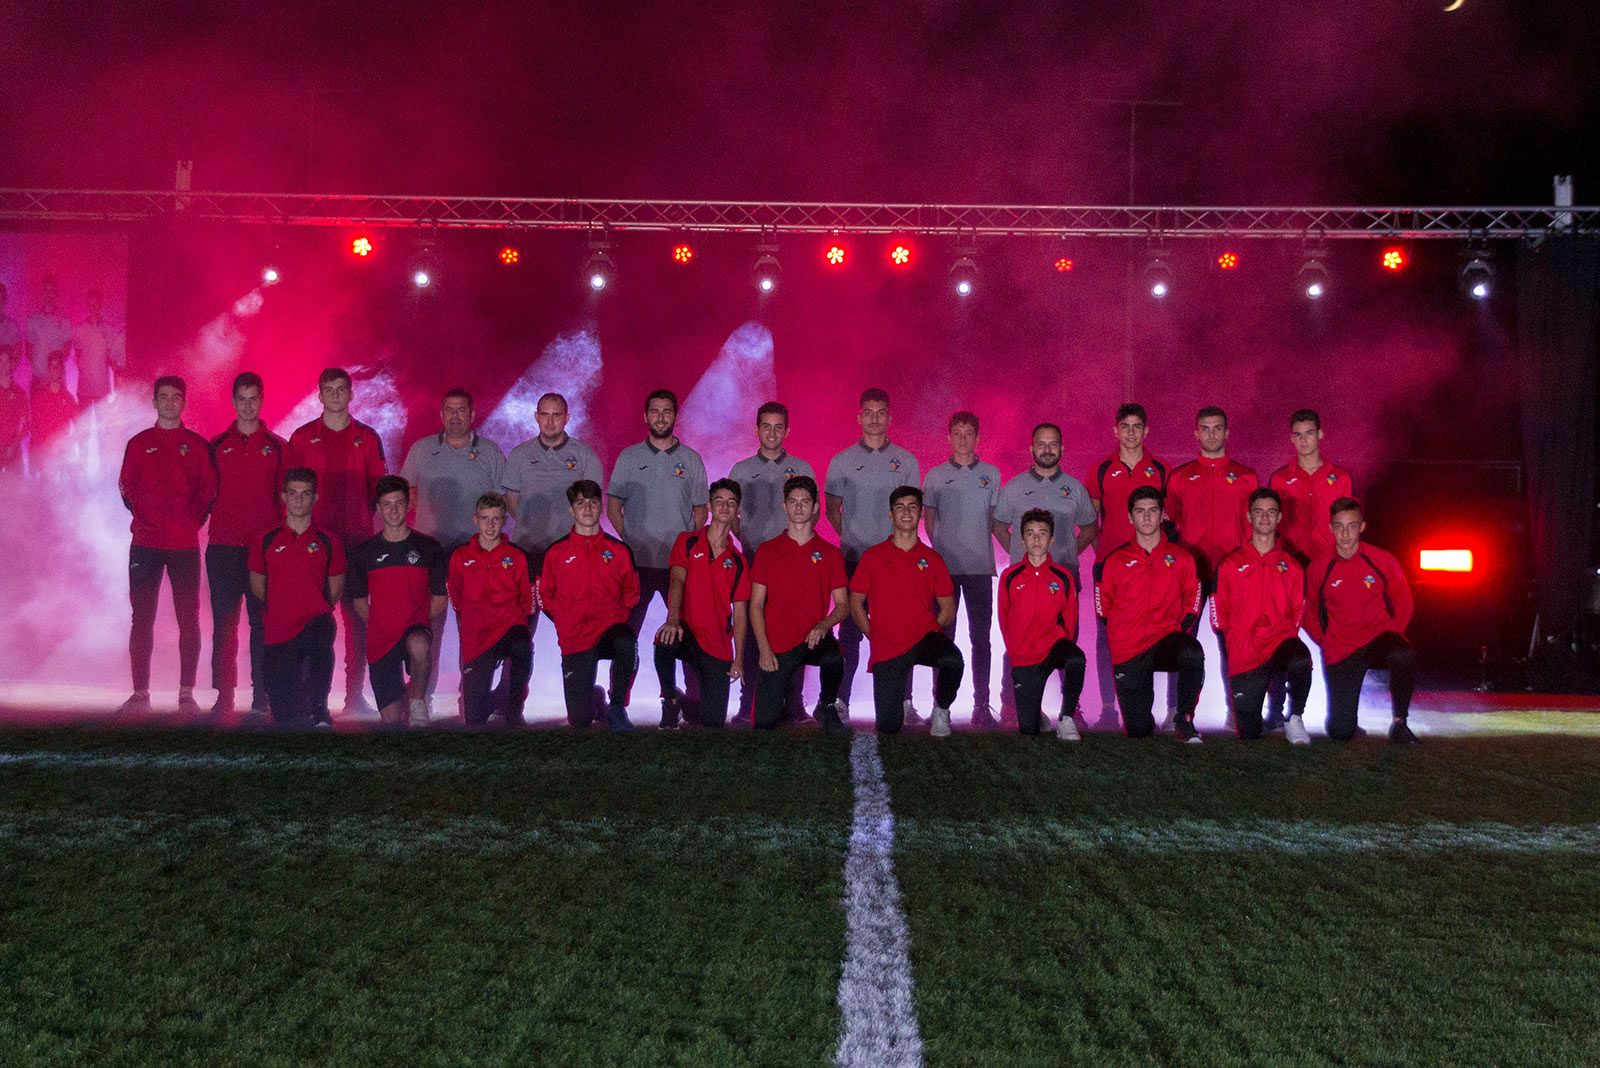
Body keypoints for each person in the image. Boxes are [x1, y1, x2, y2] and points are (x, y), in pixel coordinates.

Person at [287, 367, 387, 717]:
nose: (334, 395)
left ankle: (353, 696)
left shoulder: (367, 437)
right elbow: (289, 492)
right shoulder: (302, 438)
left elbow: (378, 489)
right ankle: (308, 696)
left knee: (357, 624)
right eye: (328, 389)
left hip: (357, 542)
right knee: (309, 621)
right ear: (319, 394)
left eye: (341, 389)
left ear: (351, 394)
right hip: (314, 545)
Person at [116, 376, 217, 718]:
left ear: (184, 403)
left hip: (183, 545)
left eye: (176, 397)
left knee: (189, 618)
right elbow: (126, 486)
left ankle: (186, 695)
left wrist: (189, 523)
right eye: (164, 397)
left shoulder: (197, 446)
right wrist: (145, 518)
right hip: (145, 543)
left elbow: (208, 491)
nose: (170, 402)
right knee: (141, 618)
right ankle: (140, 694)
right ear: (154, 402)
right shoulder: (139, 443)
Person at [398, 387, 506, 704]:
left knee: (472, 627)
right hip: (430, 552)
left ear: (472, 415)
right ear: (441, 414)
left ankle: (470, 696)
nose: (455, 415)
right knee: (428, 626)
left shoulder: (489, 452)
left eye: (461, 410)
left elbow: (502, 501)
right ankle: (421, 696)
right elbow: (406, 491)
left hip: (474, 553)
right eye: (449, 409)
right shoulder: (422, 449)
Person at [991, 421, 1097, 727]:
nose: (1047, 449)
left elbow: (1090, 528)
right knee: (1017, 640)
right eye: (1041, 444)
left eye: (1053, 444)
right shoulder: (1014, 487)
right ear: (1031, 448)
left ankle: (1070, 708)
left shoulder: (1074, 488)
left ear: (1062, 448)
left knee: (1066, 641)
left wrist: (1067, 554)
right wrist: (1021, 554)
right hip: (1024, 583)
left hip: (1062, 581)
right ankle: (1010, 704)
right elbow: (998, 525)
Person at [826, 388, 921, 718]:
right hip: (854, 560)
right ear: (859, 417)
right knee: (850, 633)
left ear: (890, 417)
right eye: (869, 412)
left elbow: (912, 511)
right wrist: (853, 538)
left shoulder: (906, 461)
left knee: (901, 631)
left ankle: (905, 702)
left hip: (897, 561)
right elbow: (832, 509)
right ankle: (841, 701)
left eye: (881, 412)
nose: (875, 418)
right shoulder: (842, 461)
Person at [1166, 406, 1258, 725]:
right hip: (1191, 574)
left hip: (1231, 574)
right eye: (1205, 428)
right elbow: (1169, 526)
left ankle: (1236, 711)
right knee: (1181, 640)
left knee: (1233, 644)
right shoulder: (1180, 477)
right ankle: (1177, 711)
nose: (1211, 434)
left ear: (1227, 432)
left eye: (1217, 428)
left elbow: (1255, 528)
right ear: (1196, 433)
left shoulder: (1246, 477)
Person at [1303, 497, 1419, 744]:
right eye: (1339, 526)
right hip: (1341, 651)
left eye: (1352, 526)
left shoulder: (1381, 559)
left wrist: (1394, 633)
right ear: (1330, 528)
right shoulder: (1319, 568)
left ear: (1362, 527)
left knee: (1402, 653)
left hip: (1377, 641)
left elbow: (1404, 600)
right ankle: (1347, 721)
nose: (1345, 534)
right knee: (1340, 732)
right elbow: (1307, 610)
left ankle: (1400, 723)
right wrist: (1324, 640)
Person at [848, 486, 962, 736]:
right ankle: (897, 705)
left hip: (923, 638)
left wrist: (932, 632)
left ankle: (941, 709)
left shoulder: (932, 559)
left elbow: (947, 608)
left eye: (912, 507)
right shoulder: (873, 556)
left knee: (953, 660)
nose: (906, 512)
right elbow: (855, 602)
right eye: (900, 507)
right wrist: (873, 634)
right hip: (888, 645)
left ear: (920, 513)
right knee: (888, 727)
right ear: (891, 514)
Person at [728, 401, 816, 721]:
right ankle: (747, 703)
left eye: (778, 427)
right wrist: (747, 539)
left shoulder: (801, 468)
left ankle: (795, 704)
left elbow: (813, 514)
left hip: (793, 565)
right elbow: (730, 514)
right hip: (754, 562)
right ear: (757, 429)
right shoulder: (741, 470)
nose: (772, 433)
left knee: (794, 632)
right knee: (753, 634)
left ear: (787, 431)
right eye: (766, 426)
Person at [1266, 408, 1355, 726]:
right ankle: (1276, 713)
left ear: (1320, 435)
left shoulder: (1340, 478)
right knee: (1280, 642)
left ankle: (1341, 715)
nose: (1303, 440)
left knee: (1337, 644)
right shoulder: (1280, 478)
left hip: (1327, 573)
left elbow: (1348, 528)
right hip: (1287, 573)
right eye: (1297, 435)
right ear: (1291, 438)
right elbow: (1269, 525)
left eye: (1309, 433)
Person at [1094, 486, 1204, 741]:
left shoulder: (1182, 558)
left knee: (1192, 652)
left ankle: (1183, 719)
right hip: (1129, 649)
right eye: (1140, 511)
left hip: (1166, 640)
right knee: (1138, 731)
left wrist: (1178, 632)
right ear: (1130, 517)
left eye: (1153, 511)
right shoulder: (1115, 561)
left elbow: (1193, 602)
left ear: (1162, 515)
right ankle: (1144, 717)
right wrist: (1121, 636)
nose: (1146, 517)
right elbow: (1103, 608)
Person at [206, 371, 286, 718]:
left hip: (263, 550)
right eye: (242, 399)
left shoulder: (278, 447)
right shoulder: (216, 446)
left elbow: (288, 498)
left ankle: (261, 696)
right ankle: (223, 696)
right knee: (224, 623)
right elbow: (204, 493)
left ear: (262, 400)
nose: (248, 405)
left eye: (254, 399)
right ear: (234, 402)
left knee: (262, 624)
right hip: (223, 546)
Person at [750, 476, 850, 736]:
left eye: (805, 501)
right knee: (763, 723)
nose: (798, 506)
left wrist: (824, 625)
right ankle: (786, 700)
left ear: (815, 507)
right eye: (793, 501)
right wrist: (764, 649)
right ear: (784, 507)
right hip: (777, 643)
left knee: (834, 657)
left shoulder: (830, 553)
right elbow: (756, 605)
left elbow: (843, 605)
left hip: (812, 637)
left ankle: (826, 706)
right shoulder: (767, 550)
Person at [1088, 403, 1169, 728]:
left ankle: (1159, 709)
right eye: (1126, 426)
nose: (1131, 432)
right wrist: (1106, 555)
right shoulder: (1101, 469)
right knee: (1106, 635)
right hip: (1109, 568)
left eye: (1137, 426)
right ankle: (1109, 707)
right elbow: (1090, 521)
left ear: (1146, 431)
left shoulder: (1161, 469)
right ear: (1116, 431)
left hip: (1151, 567)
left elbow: (1168, 519)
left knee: (1155, 631)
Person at [1212, 488, 1313, 743]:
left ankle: (1294, 718)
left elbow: (1298, 611)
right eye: (1259, 512)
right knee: (1249, 733)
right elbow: (1218, 613)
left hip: (1278, 645)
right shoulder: (1229, 564)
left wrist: (1286, 638)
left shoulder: (1292, 565)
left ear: (1279, 518)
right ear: (1249, 516)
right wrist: (1233, 644)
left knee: (1300, 657)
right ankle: (1248, 710)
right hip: (1245, 654)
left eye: (1271, 512)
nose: (1265, 517)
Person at [607, 389, 709, 640]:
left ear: (675, 416)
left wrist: (685, 547)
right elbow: (613, 508)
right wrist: (630, 541)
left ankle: (683, 670)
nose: (660, 418)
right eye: (654, 412)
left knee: (686, 635)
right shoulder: (629, 457)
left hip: (677, 566)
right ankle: (623, 669)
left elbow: (701, 511)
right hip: (636, 564)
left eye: (666, 412)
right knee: (625, 638)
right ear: (645, 416)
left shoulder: (691, 459)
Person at [921, 411, 1001, 728]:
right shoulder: (935, 476)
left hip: (980, 568)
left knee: (981, 639)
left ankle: (982, 704)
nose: (963, 439)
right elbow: (929, 520)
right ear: (949, 438)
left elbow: (994, 521)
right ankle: (941, 706)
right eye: (957, 433)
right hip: (945, 571)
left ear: (977, 438)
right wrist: (941, 553)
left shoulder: (991, 474)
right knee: (943, 637)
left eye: (969, 433)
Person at [540, 480, 640, 731]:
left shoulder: (618, 550)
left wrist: (616, 617)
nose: (587, 508)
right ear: (571, 510)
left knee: (626, 642)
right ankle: (594, 697)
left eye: (593, 502)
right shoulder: (556, 552)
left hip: (609, 631)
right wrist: (565, 621)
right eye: (580, 503)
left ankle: (617, 707)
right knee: (580, 721)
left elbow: (632, 593)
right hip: (575, 637)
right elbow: (545, 596)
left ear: (601, 507)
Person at [349, 476, 448, 727]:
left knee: (419, 644)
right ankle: (404, 697)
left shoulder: (429, 548)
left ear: (409, 505)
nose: (393, 510)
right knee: (392, 721)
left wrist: (415, 620)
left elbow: (440, 599)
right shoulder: (364, 552)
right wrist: (382, 624)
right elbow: (359, 603)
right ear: (378, 508)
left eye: (399, 503)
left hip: (415, 629)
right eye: (387, 504)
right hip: (381, 639)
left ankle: (418, 703)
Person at [249, 468, 345, 728]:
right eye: (293, 493)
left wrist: (313, 608)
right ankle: (296, 705)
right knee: (284, 716)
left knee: (322, 628)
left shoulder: (328, 541)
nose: (299, 500)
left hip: (314, 624)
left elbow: (336, 588)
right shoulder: (265, 539)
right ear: (283, 497)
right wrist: (283, 609)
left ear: (315, 498)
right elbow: (257, 585)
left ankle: (320, 709)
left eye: (305, 494)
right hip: (278, 631)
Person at [653, 479, 752, 729]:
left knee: (713, 722)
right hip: (685, 631)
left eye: (731, 503)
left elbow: (740, 614)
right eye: (719, 501)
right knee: (664, 640)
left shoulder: (739, 561)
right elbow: (676, 580)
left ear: (738, 510)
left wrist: (739, 658)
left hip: (716, 644)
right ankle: (670, 699)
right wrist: (672, 619)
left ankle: (685, 704)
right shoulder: (687, 541)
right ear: (709, 506)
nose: (725, 507)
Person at [998, 510, 1088, 739]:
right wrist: (1015, 651)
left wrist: (1062, 643)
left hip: (1053, 647)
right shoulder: (1010, 576)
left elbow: (1070, 619)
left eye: (1043, 533)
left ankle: (1066, 718)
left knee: (1076, 658)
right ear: (1022, 540)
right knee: (1029, 730)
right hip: (1024, 656)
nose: (1037, 539)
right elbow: (1004, 618)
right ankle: (1037, 714)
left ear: (1052, 540)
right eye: (1030, 533)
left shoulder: (1063, 576)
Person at [447, 494, 533, 728]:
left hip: (508, 628)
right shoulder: (460, 556)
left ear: (504, 520)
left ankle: (514, 709)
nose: (490, 524)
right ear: (475, 520)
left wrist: (514, 621)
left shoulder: (516, 556)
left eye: (496, 518)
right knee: (475, 720)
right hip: (477, 637)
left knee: (523, 647)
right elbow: (455, 594)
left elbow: (526, 599)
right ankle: (492, 701)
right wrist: (472, 619)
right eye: (485, 518)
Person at [70, 288, 126, 404]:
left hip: (102, 391)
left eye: (96, 303)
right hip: (84, 390)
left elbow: (113, 359)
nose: (93, 307)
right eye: (91, 304)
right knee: (83, 417)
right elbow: (76, 356)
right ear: (87, 305)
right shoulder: (80, 330)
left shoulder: (109, 330)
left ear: (100, 305)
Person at [28, 349, 80, 455]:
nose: (55, 370)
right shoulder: (38, 397)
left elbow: (79, 424)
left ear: (62, 371)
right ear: (48, 370)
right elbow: (32, 426)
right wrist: (41, 448)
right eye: (52, 367)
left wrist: (67, 444)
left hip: (60, 453)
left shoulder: (68, 398)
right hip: (42, 452)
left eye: (57, 367)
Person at [24, 275, 71, 383]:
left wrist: (54, 374)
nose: (49, 294)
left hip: (57, 381)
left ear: (56, 294)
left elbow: (66, 351)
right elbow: (29, 351)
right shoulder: (33, 320)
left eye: (52, 291)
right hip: (38, 380)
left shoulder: (64, 321)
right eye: (46, 290)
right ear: (41, 293)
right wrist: (40, 374)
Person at [0, 346, 28, 472]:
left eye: (6, 361)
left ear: (11, 364)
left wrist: (14, 444)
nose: (3, 365)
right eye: (0, 361)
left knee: (15, 483)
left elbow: (25, 423)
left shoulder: (19, 393)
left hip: (13, 451)